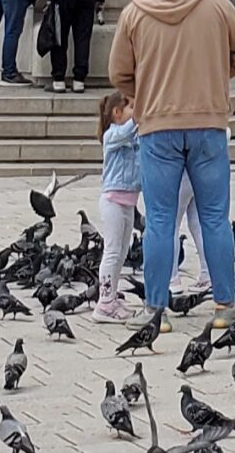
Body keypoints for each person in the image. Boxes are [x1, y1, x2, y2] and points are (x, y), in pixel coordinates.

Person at [109, 0, 235, 327]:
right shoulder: (216, 3)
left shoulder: (135, 10)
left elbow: (118, 73)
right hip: (209, 123)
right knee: (214, 217)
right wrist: (214, 78)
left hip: (158, 126)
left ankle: (155, 310)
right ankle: (225, 306)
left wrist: (142, 95)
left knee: (160, 218)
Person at [92, 91, 140, 322]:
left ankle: (112, 296)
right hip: (112, 201)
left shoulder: (132, 136)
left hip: (129, 201)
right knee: (111, 252)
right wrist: (141, 115)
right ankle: (104, 304)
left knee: (122, 252)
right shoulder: (112, 135)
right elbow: (127, 130)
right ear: (117, 113)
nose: (135, 111)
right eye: (131, 107)